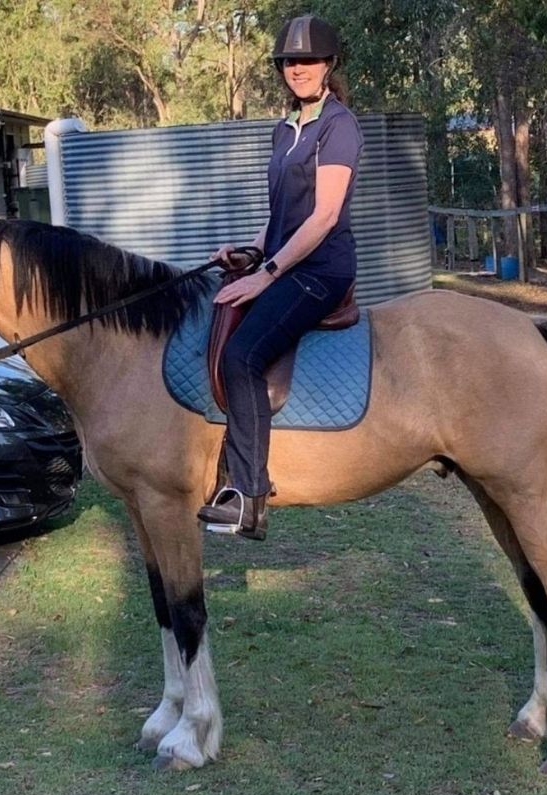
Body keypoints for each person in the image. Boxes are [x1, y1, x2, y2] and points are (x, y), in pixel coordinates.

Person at [197, 14, 364, 541]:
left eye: (309, 60)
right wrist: (251, 251)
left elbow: (323, 216)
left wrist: (267, 274)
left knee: (242, 356)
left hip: (322, 269)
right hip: (287, 259)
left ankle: (248, 498)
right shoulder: (284, 127)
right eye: (291, 61)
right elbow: (281, 213)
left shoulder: (339, 125)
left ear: (328, 65)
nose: (299, 69)